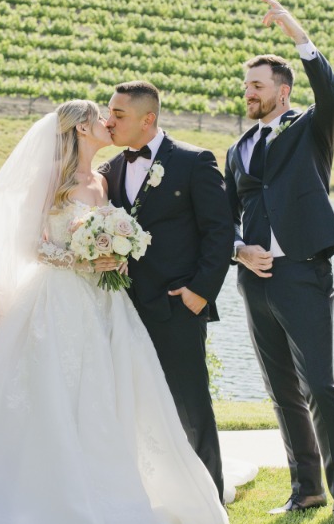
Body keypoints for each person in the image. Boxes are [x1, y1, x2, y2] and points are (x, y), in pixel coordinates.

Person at [0, 100, 229, 524]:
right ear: (80, 129)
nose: (107, 122)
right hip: (58, 297)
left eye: (113, 115)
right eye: (100, 117)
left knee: (109, 391)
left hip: (105, 301)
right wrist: (81, 259)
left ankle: (116, 483)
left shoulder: (103, 179)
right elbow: (28, 243)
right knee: (57, 392)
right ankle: (50, 491)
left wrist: (117, 254)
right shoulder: (52, 176)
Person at [223, 0, 334, 524]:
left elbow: (333, 95)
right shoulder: (236, 149)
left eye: (257, 85)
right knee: (281, 389)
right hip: (254, 282)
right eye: (246, 85)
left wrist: (299, 36)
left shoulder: (311, 127)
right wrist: (239, 250)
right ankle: (306, 489)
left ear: (282, 91)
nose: (248, 93)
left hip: (303, 272)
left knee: (319, 385)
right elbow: (227, 216)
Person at [100, 80, 234, 502]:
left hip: (178, 305)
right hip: (124, 308)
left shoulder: (194, 161)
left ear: (148, 119)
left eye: (118, 114)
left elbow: (219, 231)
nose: (109, 121)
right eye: (109, 111)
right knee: (135, 405)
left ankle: (209, 498)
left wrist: (200, 292)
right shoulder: (109, 171)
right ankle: (151, 497)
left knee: (190, 404)